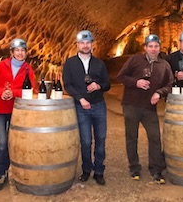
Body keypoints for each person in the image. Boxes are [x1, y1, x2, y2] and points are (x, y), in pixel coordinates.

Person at [116, 34, 174, 184]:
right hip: (131, 105)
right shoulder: (135, 60)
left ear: (159, 47)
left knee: (155, 138)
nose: (153, 49)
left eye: (156, 46)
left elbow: (170, 84)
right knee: (132, 137)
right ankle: (134, 168)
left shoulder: (164, 65)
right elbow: (121, 76)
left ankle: (155, 170)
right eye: (150, 46)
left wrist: (158, 93)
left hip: (149, 107)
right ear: (146, 48)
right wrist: (136, 82)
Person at [0, 38, 35, 191]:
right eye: (17, 50)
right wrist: (0, 92)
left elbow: (30, 90)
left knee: (14, 143)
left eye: (23, 50)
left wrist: (13, 93)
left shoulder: (28, 70)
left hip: (17, 111)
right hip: (0, 110)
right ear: (12, 52)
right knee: (2, 143)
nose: (20, 53)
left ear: (26, 53)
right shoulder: (2, 65)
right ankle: (1, 173)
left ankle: (16, 171)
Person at [62, 30, 111, 185]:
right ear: (77, 45)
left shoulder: (99, 63)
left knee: (101, 139)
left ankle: (99, 171)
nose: (85, 45)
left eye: (88, 43)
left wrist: (99, 85)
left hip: (99, 106)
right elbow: (68, 85)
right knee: (85, 140)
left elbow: (107, 84)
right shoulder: (70, 63)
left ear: (92, 45)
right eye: (82, 43)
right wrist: (80, 98)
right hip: (81, 107)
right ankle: (86, 170)